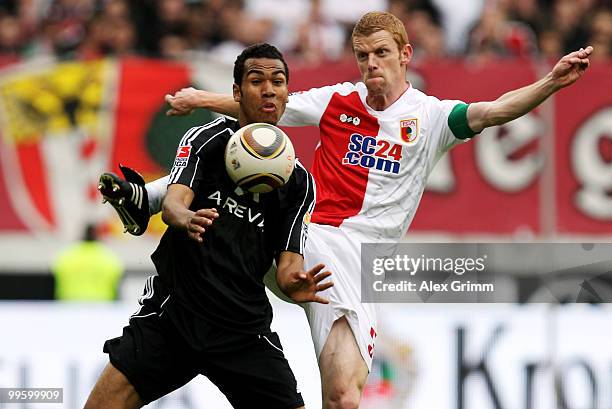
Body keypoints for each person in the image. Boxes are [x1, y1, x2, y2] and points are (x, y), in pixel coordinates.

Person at [117, 11, 594, 409]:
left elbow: (495, 110)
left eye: (381, 53)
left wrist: (551, 81)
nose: (371, 64)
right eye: (363, 55)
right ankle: (150, 199)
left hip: (358, 266)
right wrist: (204, 100)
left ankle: (159, 212)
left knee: (344, 398)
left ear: (405, 55)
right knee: (250, 152)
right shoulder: (337, 100)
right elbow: (268, 107)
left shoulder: (430, 117)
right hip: (307, 237)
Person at [85, 43, 332, 409]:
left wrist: (295, 283)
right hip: (175, 316)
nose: (268, 90)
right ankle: (138, 200)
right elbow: (172, 204)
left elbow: (287, 263)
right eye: (256, 80)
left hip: (243, 332)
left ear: (285, 94)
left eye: (278, 82)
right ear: (236, 92)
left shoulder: (298, 182)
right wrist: (185, 218)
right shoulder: (206, 139)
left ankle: (135, 198)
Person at [53, 223, 123, 301]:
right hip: (102, 306)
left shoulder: (66, 256)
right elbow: (117, 281)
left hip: (70, 305)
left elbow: (56, 274)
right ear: (97, 236)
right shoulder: (109, 257)